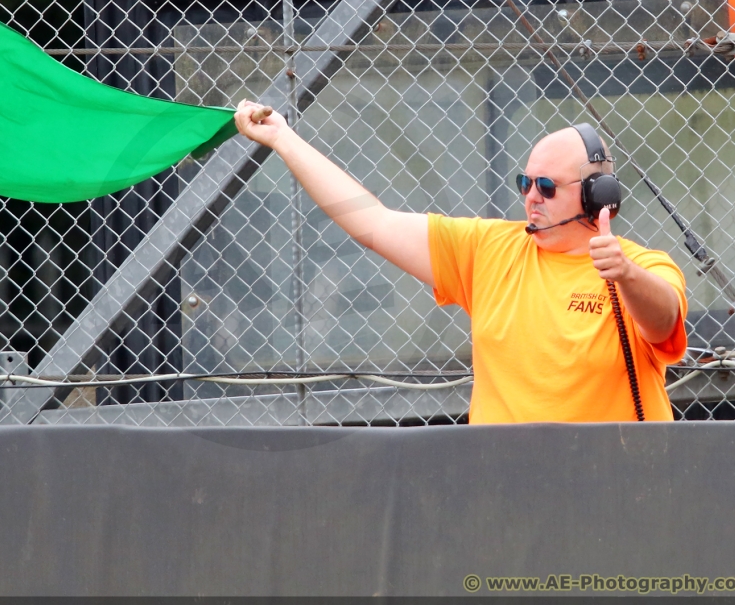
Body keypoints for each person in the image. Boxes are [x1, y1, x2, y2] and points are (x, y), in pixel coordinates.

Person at [233, 100, 687, 424]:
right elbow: (370, 222)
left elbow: (663, 322)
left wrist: (625, 274)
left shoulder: (640, 266)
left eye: (546, 186)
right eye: (524, 182)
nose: (531, 196)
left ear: (596, 195)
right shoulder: (489, 249)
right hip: (500, 491)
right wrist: (284, 140)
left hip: (612, 490)